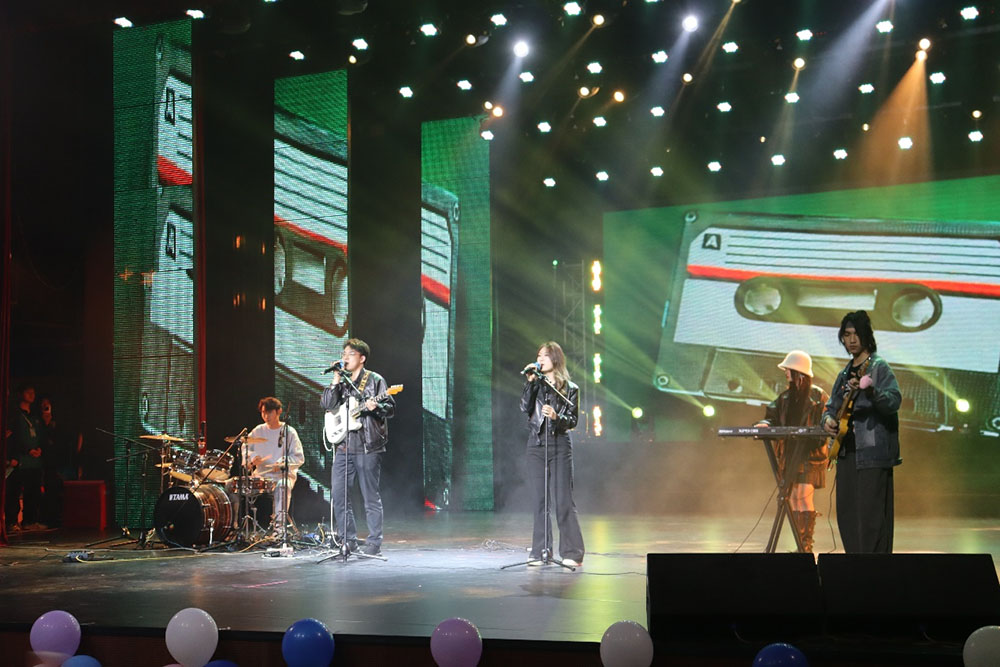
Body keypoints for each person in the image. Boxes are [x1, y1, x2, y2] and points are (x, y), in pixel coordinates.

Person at [822, 310, 901, 554]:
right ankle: (854, 566)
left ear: (866, 336)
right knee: (847, 515)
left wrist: (871, 391)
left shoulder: (879, 367)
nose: (852, 339)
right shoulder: (844, 374)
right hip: (846, 453)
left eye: (856, 334)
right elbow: (830, 408)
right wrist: (827, 421)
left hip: (872, 455)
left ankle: (872, 570)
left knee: (870, 518)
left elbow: (894, 401)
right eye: (847, 335)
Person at [321, 338, 395, 556]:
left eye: (350, 354)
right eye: (343, 354)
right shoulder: (342, 382)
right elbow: (327, 404)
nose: (345, 357)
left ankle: (374, 543)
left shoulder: (375, 380)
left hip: (368, 446)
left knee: (370, 496)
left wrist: (375, 406)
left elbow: (390, 408)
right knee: (339, 495)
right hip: (343, 447)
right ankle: (348, 540)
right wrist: (335, 379)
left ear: (362, 358)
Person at [755, 351, 830, 553]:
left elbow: (827, 420)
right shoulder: (785, 397)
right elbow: (772, 415)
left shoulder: (818, 396)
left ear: (799, 371)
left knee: (803, 495)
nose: (786, 373)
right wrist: (764, 424)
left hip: (810, 455)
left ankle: (805, 545)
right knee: (795, 496)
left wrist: (816, 437)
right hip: (789, 455)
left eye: (788, 369)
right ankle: (801, 544)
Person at [520, 341, 585, 567]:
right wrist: (530, 384)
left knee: (563, 500)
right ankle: (540, 551)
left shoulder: (570, 388)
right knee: (540, 501)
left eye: (545, 356)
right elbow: (524, 408)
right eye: (538, 355)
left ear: (555, 358)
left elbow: (573, 420)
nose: (540, 359)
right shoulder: (535, 384)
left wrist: (557, 418)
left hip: (559, 446)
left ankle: (572, 552)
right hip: (536, 445)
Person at [245, 397, 304, 535]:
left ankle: (279, 528)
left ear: (279, 412)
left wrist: (283, 463)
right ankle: (232, 527)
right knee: (232, 485)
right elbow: (245, 448)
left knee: (283, 485)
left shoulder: (289, 432)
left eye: (269, 412)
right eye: (263, 413)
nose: (266, 416)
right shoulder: (258, 431)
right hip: (261, 476)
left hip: (281, 476)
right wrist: (252, 458)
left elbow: (299, 457)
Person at [6, 383, 45, 532]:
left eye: (33, 392)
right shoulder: (15, 415)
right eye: (28, 392)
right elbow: (12, 437)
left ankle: (30, 521)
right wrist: (26, 450)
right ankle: (11, 522)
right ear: (21, 394)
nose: (31, 395)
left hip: (35, 461)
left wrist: (39, 448)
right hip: (20, 460)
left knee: (33, 492)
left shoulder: (35, 416)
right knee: (14, 492)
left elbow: (40, 435)